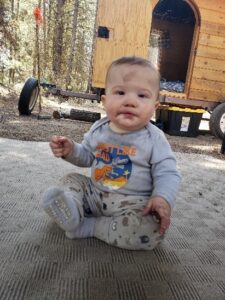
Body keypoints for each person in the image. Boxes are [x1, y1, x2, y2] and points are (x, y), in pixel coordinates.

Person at [42, 56, 181, 250]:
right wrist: (71, 150)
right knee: (72, 180)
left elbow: (168, 172)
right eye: (121, 92)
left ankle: (91, 226)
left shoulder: (154, 138)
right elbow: (88, 157)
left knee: (152, 229)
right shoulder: (100, 128)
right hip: (95, 194)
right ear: (105, 101)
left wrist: (162, 198)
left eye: (142, 96)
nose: (130, 101)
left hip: (133, 205)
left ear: (154, 107)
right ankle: (73, 208)